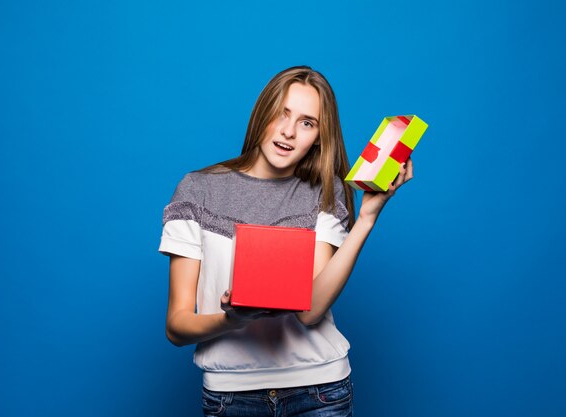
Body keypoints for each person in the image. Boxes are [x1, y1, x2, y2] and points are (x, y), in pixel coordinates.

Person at [159, 66, 414, 416]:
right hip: (231, 396)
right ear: (262, 113)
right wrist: (232, 320)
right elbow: (177, 325)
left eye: (307, 123)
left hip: (320, 392)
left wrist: (366, 218)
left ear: (320, 137)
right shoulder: (197, 190)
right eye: (282, 114)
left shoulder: (325, 192)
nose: (288, 132)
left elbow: (309, 313)